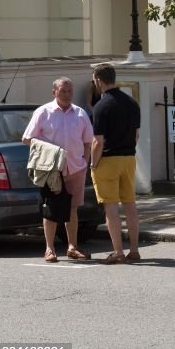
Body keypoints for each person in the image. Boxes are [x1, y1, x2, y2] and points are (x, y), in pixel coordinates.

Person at [22, 78, 94, 263]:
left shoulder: (80, 114)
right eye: (63, 91)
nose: (68, 95)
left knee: (72, 209)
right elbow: (28, 138)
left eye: (70, 91)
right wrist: (50, 151)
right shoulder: (43, 112)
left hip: (75, 169)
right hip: (51, 170)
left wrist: (84, 162)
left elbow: (88, 141)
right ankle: (50, 249)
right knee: (51, 210)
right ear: (54, 92)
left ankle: (72, 247)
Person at [90, 63, 142, 264]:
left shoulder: (101, 106)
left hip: (108, 159)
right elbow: (136, 134)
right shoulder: (132, 103)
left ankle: (118, 251)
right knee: (130, 204)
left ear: (99, 80)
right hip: (129, 158)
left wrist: (93, 164)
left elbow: (98, 141)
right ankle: (135, 250)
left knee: (111, 207)